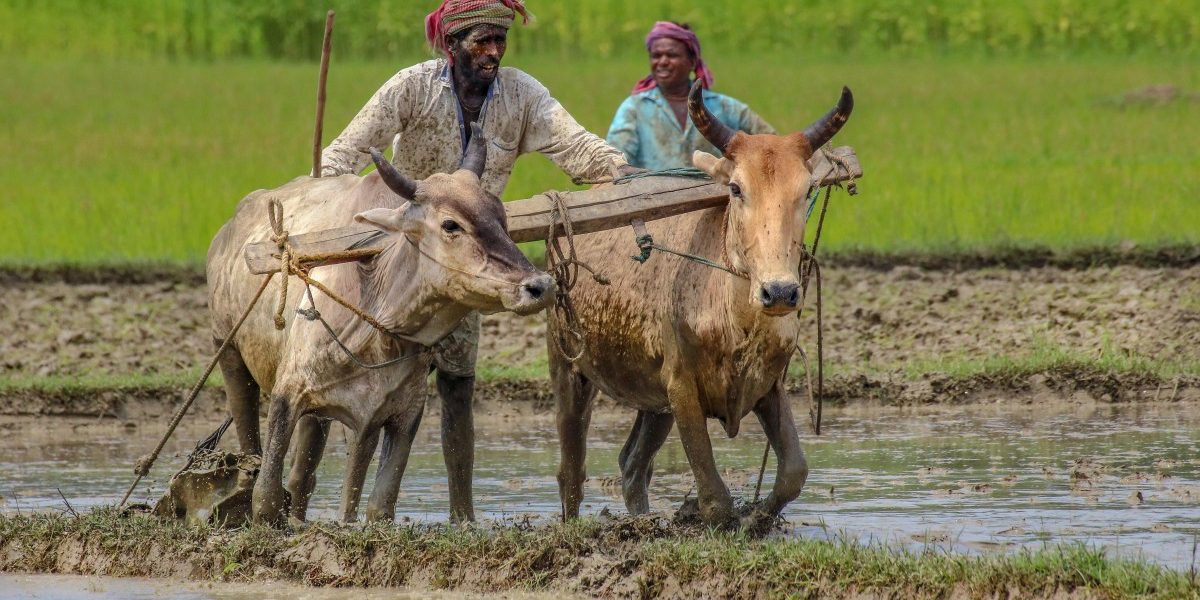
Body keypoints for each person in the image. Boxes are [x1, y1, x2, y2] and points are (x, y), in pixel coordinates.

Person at [316, 0, 633, 523]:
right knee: (360, 374)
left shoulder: (522, 95)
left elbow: (577, 148)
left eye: (499, 42)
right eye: (480, 42)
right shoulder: (412, 87)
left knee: (458, 385)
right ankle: (316, 500)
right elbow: (343, 155)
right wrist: (325, 206)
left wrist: (623, 174)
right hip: (400, 255)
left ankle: (462, 514)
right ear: (451, 45)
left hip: (470, 259)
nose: (492, 53)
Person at [607, 21, 775, 170]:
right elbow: (614, 162)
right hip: (652, 199)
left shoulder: (725, 107)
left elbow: (772, 144)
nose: (662, 61)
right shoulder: (634, 109)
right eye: (656, 56)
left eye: (672, 55)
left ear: (692, 62)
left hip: (717, 199)